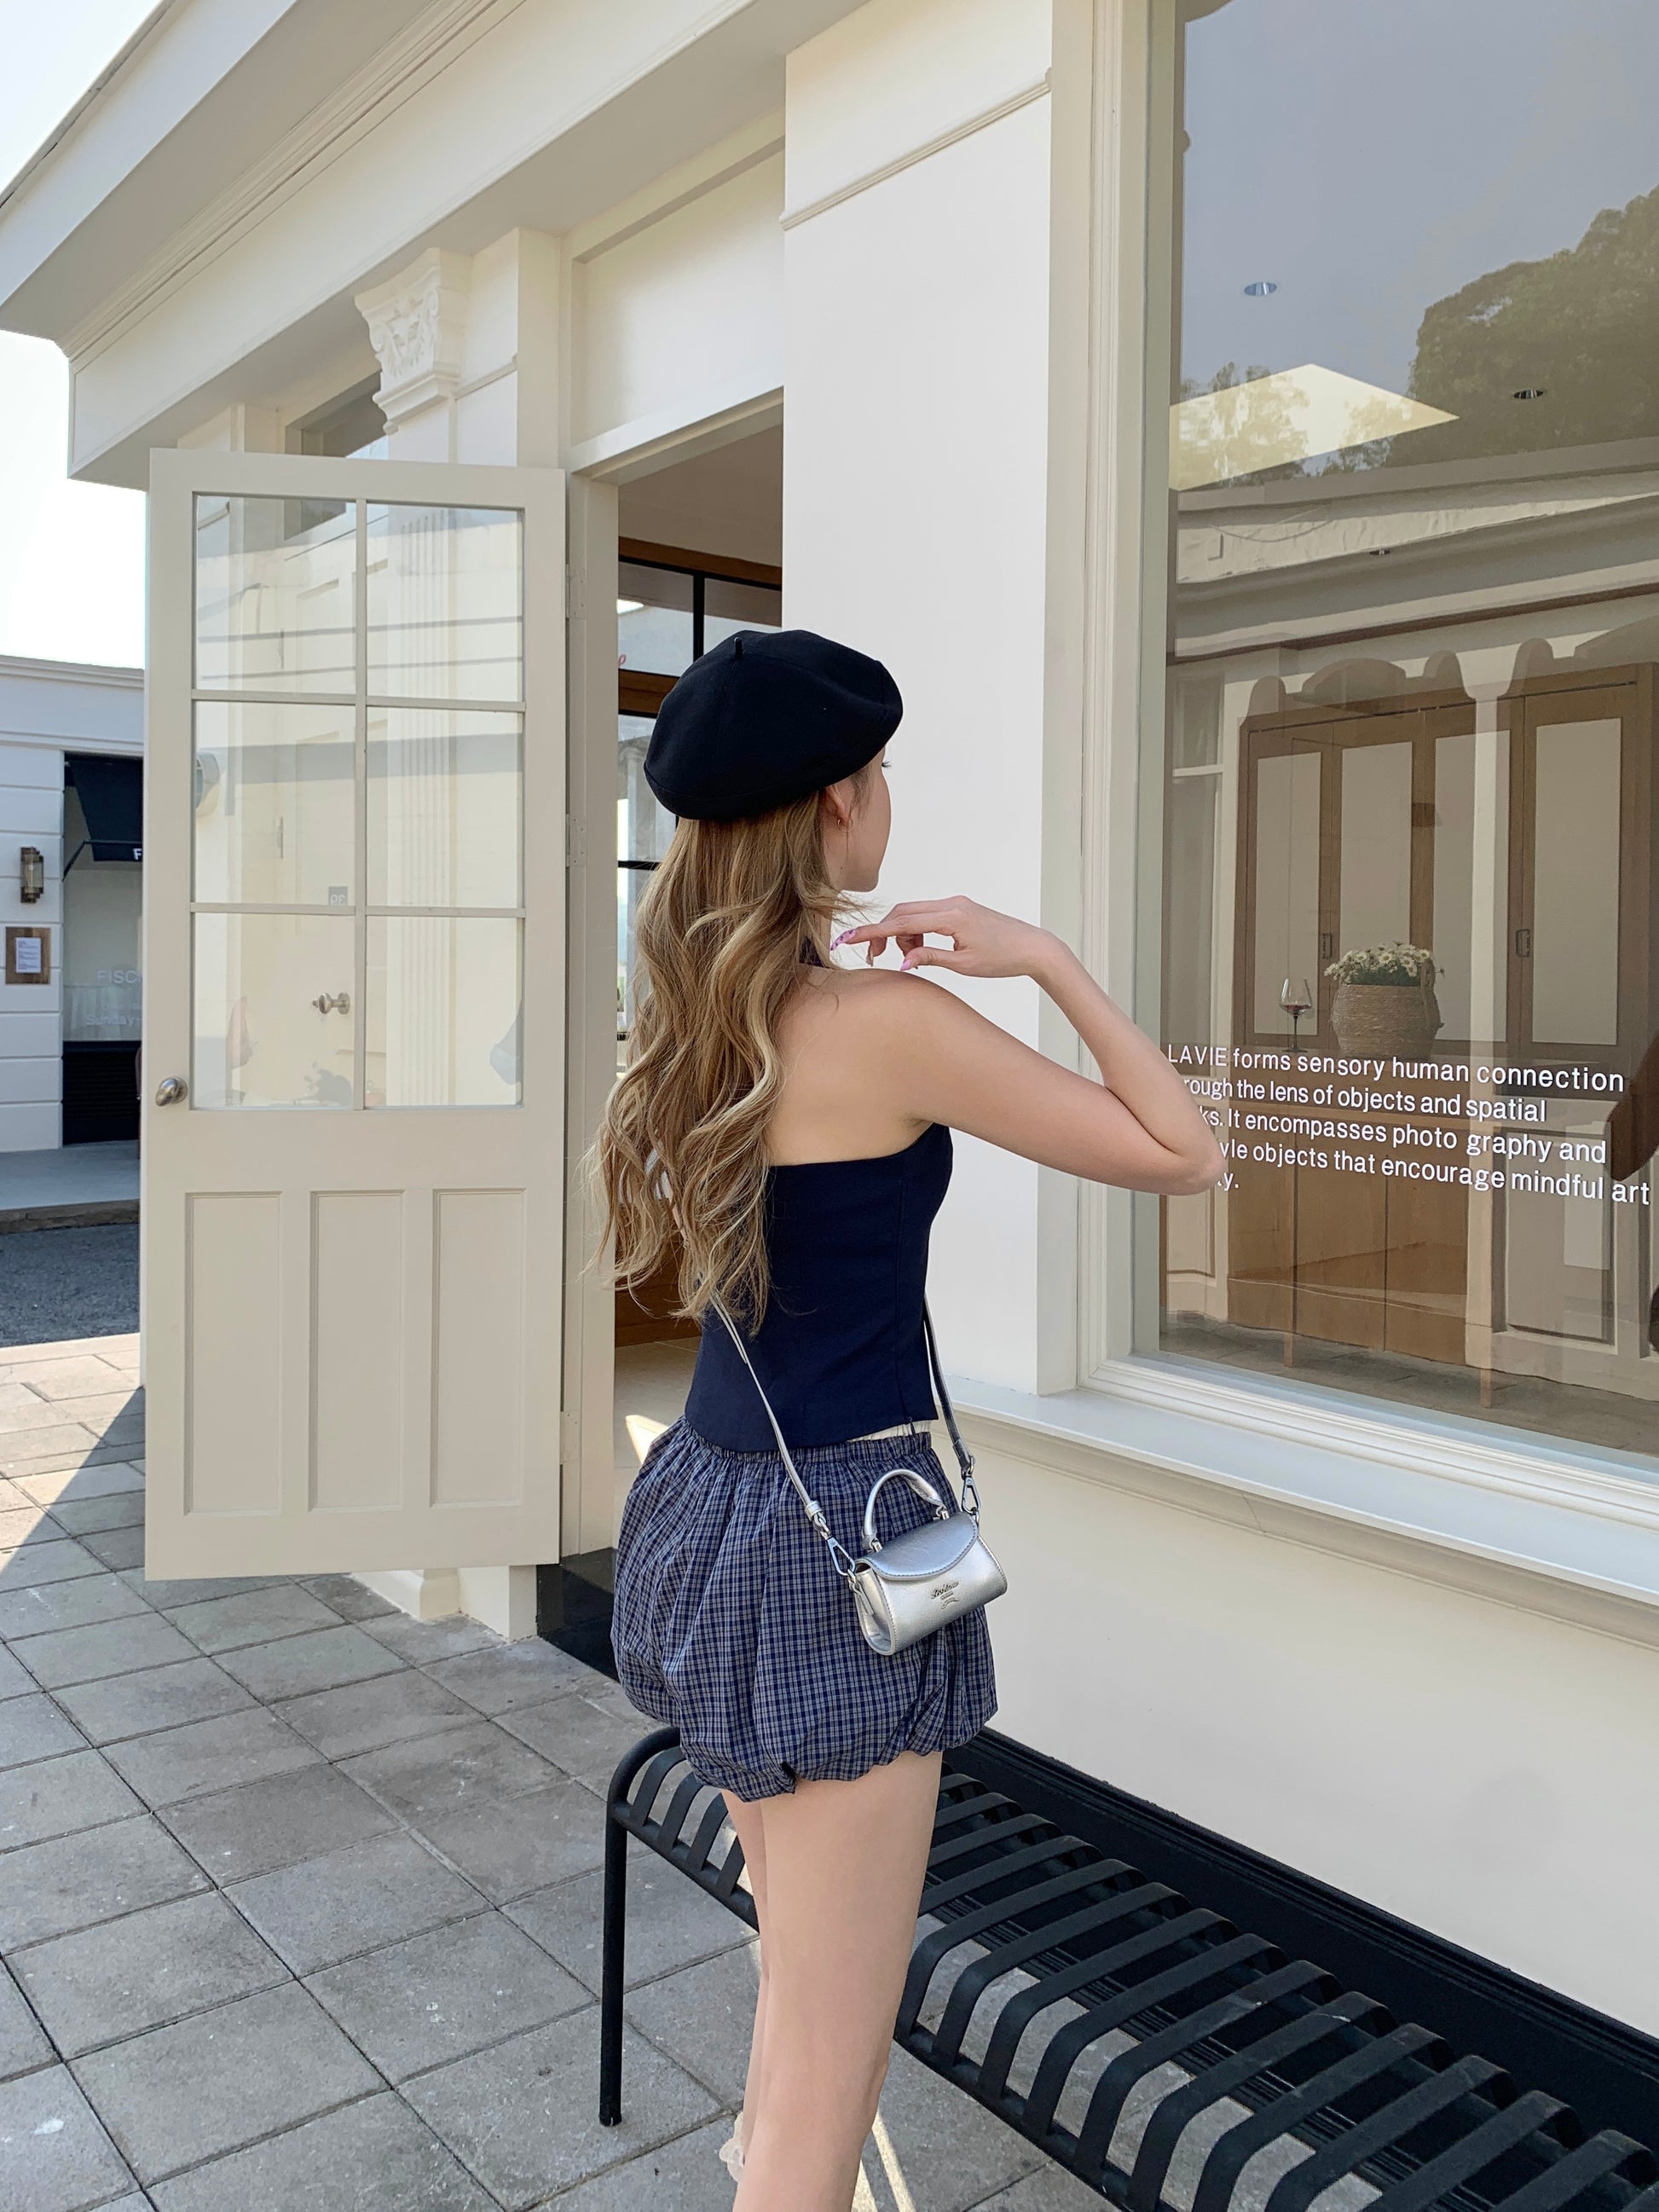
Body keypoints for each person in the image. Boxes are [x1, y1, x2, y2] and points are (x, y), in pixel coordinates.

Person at [598, 628, 1222, 2211]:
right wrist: (1042, 958)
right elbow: (1181, 1149)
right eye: (875, 774)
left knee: (792, 1998)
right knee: (827, 2068)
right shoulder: (881, 1023)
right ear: (833, 805)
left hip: (709, 1506)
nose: (885, 798)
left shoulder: (691, 1018)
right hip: (841, 1547)